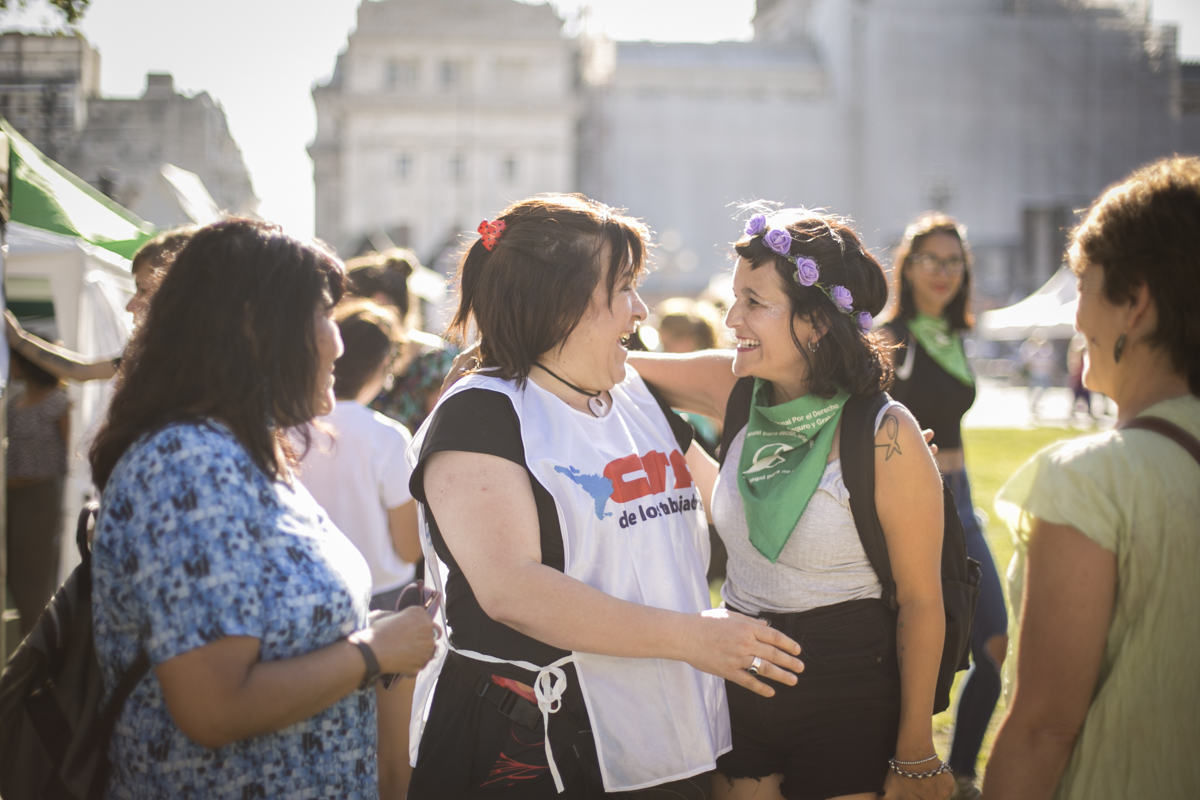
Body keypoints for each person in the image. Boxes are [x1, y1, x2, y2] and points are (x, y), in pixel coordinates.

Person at [407, 194, 803, 799]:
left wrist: (853, 453)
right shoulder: (481, 412)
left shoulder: (633, 394)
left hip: (668, 734)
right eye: (623, 288)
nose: (640, 309)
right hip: (537, 748)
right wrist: (693, 638)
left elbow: (731, 502)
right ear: (557, 302)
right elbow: (512, 590)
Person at [87, 219, 437, 798]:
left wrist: (372, 631)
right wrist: (374, 651)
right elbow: (215, 706)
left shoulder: (242, 451)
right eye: (323, 315)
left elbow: (269, 633)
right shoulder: (189, 465)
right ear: (254, 326)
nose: (339, 342)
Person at [627, 208, 953, 800]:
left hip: (847, 692)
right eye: (734, 299)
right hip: (738, 677)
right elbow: (613, 370)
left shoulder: (887, 431)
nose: (731, 319)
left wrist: (915, 751)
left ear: (817, 321)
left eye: (754, 302)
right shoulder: (734, 387)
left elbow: (922, 602)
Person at [984, 158, 1200, 799]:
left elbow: (1043, 730)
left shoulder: (1089, 480)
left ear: (1134, 303)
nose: (1076, 318)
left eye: (1083, 285)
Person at [878, 212, 1006, 799]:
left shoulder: (953, 336)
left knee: (993, 642)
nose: (943, 272)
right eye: (930, 259)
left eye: (954, 261)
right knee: (910, 642)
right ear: (908, 268)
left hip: (963, 497)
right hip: (912, 498)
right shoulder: (889, 337)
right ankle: (899, 764)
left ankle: (962, 774)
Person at [296, 297, 421, 800]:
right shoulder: (386, 436)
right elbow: (408, 546)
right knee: (393, 762)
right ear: (383, 364)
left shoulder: (285, 430)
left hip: (307, 610)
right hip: (387, 606)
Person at [5, 226, 196, 381]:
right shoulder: (151, 353)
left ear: (181, 292)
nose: (130, 306)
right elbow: (83, 371)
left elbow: (84, 371)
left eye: (143, 290)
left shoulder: (198, 367)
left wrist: (19, 339)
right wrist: (19, 339)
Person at [344, 247, 460, 433]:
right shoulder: (355, 357)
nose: (336, 316)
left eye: (343, 304)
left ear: (379, 303)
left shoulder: (438, 362)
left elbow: (446, 436)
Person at [6, 345, 71, 637]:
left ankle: (40, 648)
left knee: (35, 576)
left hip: (40, 497)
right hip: (12, 498)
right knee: (15, 575)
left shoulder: (58, 401)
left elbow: (69, 452)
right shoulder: (14, 403)